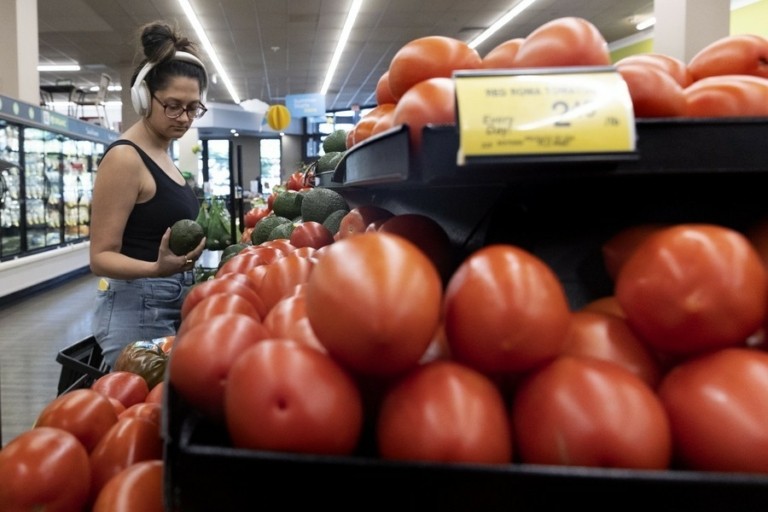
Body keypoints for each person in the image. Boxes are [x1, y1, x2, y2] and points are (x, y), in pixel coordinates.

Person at [89, 21, 208, 368]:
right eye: (173, 105)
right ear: (144, 98)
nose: (184, 118)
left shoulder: (162, 152)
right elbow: (101, 257)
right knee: (140, 413)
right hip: (137, 306)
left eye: (192, 108)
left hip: (171, 297)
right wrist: (157, 269)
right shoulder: (125, 157)